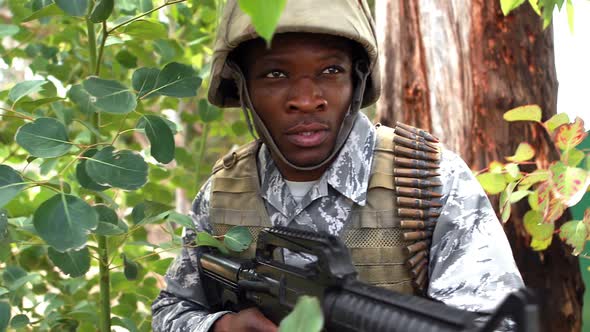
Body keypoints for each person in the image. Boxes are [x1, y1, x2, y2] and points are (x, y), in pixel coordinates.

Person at [152, 0, 524, 331]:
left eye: (330, 70)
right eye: (275, 74)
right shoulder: (222, 192)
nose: (306, 99)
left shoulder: (432, 181)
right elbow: (171, 310)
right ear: (243, 87)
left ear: (356, 79)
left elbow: (496, 322)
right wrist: (222, 327)